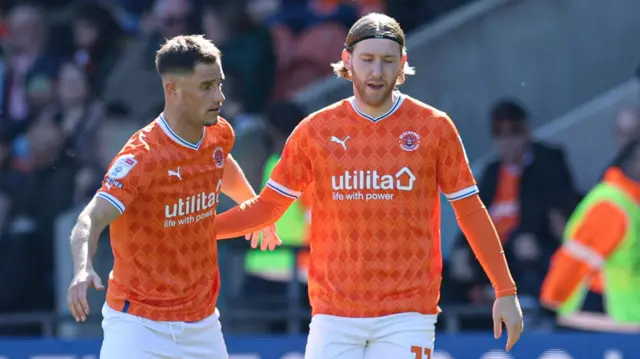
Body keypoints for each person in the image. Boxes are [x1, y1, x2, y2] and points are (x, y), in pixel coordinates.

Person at [216, 13, 523, 359]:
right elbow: (265, 209)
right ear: (347, 61)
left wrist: (505, 290)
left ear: (402, 63)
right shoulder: (314, 131)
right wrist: (192, 229)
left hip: (408, 313)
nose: (377, 72)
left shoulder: (434, 128)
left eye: (387, 61)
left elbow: (469, 211)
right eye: (367, 60)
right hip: (333, 314)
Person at [65, 35, 280, 359]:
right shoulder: (142, 158)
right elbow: (90, 219)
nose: (219, 96)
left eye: (220, 84)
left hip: (202, 324)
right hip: (138, 325)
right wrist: (82, 268)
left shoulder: (218, 132)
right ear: (172, 90)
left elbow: (220, 164)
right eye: (206, 87)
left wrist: (253, 207)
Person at [541, 139, 640, 332]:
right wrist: (551, 307)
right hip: (599, 324)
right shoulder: (611, 206)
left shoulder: (631, 205)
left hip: (625, 325)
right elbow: (575, 262)